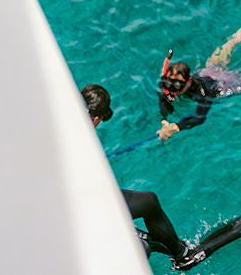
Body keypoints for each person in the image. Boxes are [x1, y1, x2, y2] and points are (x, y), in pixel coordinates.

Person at [81, 83, 195, 270]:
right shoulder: (79, 137)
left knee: (149, 201)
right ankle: (181, 255)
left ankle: (181, 255)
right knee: (141, 249)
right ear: (98, 118)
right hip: (83, 211)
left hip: (88, 201)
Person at [157, 28, 241, 143]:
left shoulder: (202, 92)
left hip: (223, 86)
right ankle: (236, 38)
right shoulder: (169, 86)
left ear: (189, 80)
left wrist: (177, 127)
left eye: (178, 87)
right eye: (169, 85)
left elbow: (200, 117)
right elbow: (163, 99)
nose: (172, 91)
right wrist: (164, 120)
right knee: (212, 64)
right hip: (207, 74)